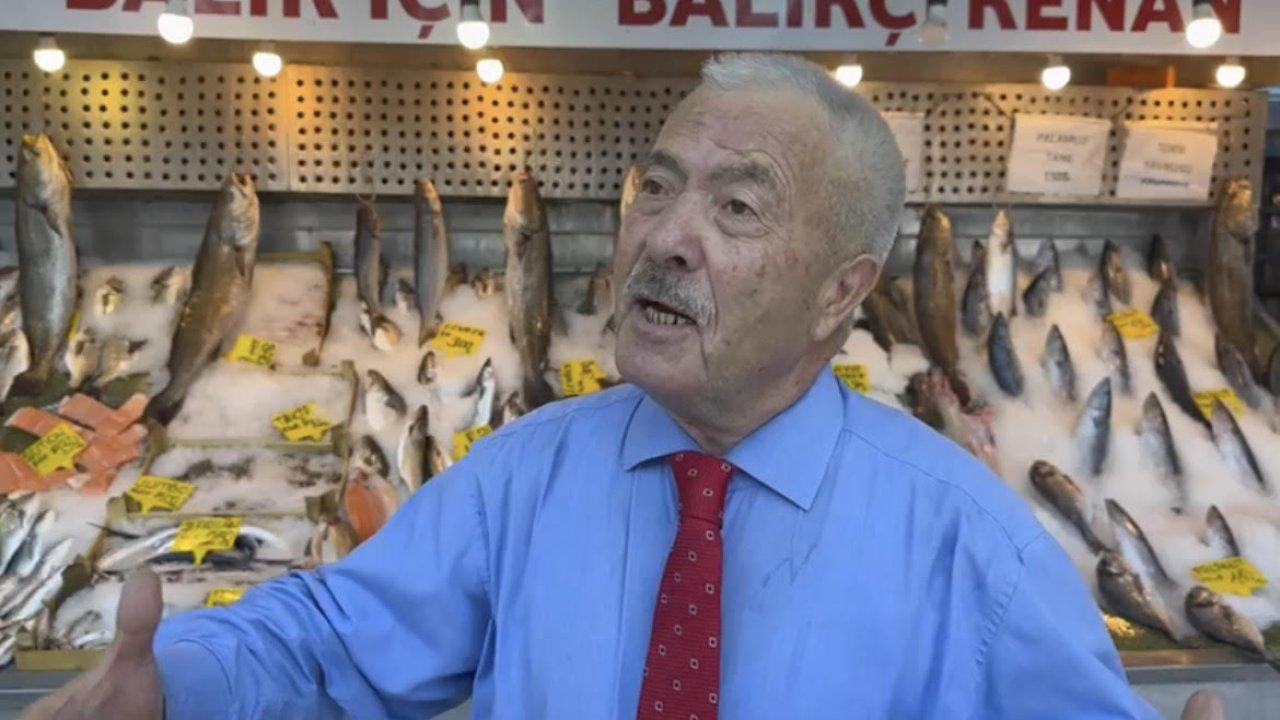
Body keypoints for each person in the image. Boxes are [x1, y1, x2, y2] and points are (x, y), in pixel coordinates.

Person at [28, 53, 1211, 720]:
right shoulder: (525, 474)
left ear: (839, 293)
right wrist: (173, 684)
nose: (664, 238)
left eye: (735, 207)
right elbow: (329, 639)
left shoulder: (976, 556)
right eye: (655, 186)